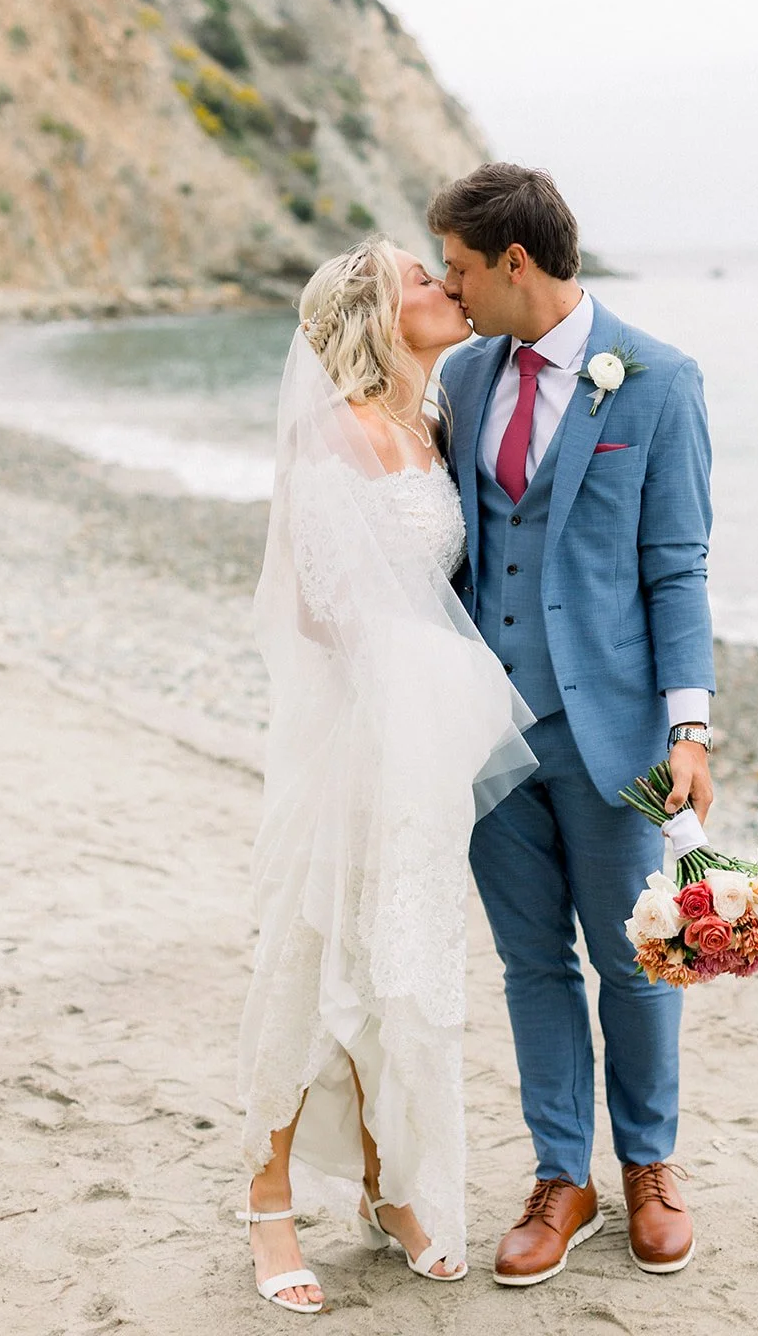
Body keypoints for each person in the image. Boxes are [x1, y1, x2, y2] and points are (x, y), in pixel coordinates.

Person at [429, 163, 716, 1285]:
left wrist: (689, 732)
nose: (448, 290)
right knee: (527, 963)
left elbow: (676, 566)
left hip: (611, 733)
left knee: (635, 960)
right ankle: (563, 1174)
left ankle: (648, 1162)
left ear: (514, 262)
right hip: (482, 729)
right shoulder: (461, 371)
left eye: (458, 268)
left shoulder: (656, 380)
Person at [237, 237, 535, 1312]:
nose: (445, 288)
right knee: (319, 961)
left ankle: (387, 1188)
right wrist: (415, 669)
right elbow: (320, 607)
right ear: (373, 315)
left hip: (429, 742)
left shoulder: (430, 421)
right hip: (361, 731)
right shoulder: (335, 438)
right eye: (422, 278)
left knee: (404, 962)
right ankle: (268, 1202)